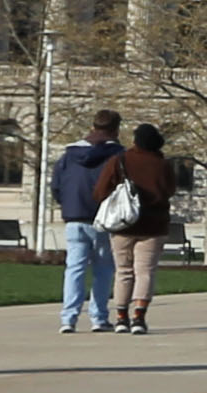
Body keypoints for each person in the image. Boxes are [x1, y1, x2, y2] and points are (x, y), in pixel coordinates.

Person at [46, 112, 132, 333]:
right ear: (115, 129)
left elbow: (56, 185)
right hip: (104, 218)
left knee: (74, 268)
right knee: (103, 270)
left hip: (74, 216)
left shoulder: (69, 155)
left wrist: (66, 204)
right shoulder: (119, 155)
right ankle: (98, 317)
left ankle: (68, 318)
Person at [107, 122, 177, 334]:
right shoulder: (163, 165)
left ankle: (120, 317)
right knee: (145, 272)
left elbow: (101, 189)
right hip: (153, 225)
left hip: (123, 224)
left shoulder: (120, 160)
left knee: (123, 271)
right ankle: (139, 316)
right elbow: (170, 190)